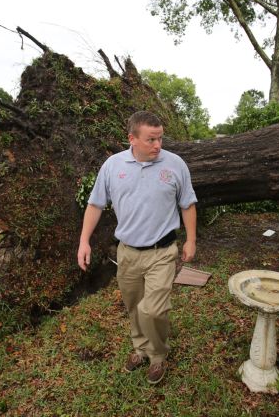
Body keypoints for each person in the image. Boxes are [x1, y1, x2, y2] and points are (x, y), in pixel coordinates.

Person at [77, 110, 197, 385]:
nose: (158, 145)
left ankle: (157, 356)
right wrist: (84, 241)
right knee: (134, 307)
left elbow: (187, 203)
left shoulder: (175, 164)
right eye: (151, 139)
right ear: (132, 138)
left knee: (153, 309)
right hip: (128, 252)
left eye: (160, 139)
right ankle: (140, 348)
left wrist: (190, 239)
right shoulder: (112, 166)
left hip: (162, 252)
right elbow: (95, 204)